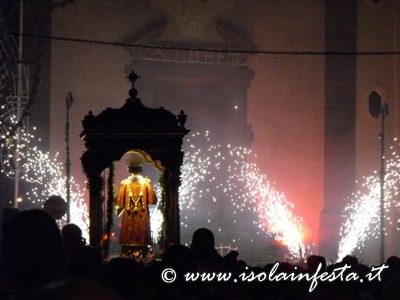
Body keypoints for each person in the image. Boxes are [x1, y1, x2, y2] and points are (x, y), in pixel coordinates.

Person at [115, 153, 157, 258]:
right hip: (142, 216)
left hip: (129, 216)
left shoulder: (124, 184)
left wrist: (118, 209)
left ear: (129, 169)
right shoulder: (146, 183)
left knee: (128, 236)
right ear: (140, 169)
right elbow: (152, 200)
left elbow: (119, 203)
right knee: (142, 237)